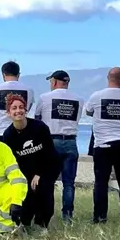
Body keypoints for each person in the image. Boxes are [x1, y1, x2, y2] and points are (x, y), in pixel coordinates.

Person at [1, 94, 59, 234]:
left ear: (26, 110)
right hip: (25, 172)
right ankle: (24, 223)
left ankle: (42, 224)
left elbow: (50, 154)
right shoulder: (8, 135)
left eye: (21, 107)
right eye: (14, 108)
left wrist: (39, 174)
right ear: (8, 113)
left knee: (43, 190)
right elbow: (13, 162)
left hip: (47, 167)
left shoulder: (40, 127)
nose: (18, 111)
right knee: (26, 198)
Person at [84, 66, 120, 224]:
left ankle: (100, 216)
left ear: (108, 78)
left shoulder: (97, 96)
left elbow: (88, 111)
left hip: (103, 144)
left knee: (101, 182)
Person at [33, 70, 82, 222]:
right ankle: (67, 216)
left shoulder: (44, 98)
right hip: (71, 141)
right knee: (69, 183)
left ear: (54, 82)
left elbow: (37, 120)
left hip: (51, 142)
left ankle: (47, 213)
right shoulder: (79, 99)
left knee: (48, 181)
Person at [0, 61, 34, 138]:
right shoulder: (29, 90)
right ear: (18, 75)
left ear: (3, 74)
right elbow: (27, 109)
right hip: (21, 132)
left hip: (1, 131)